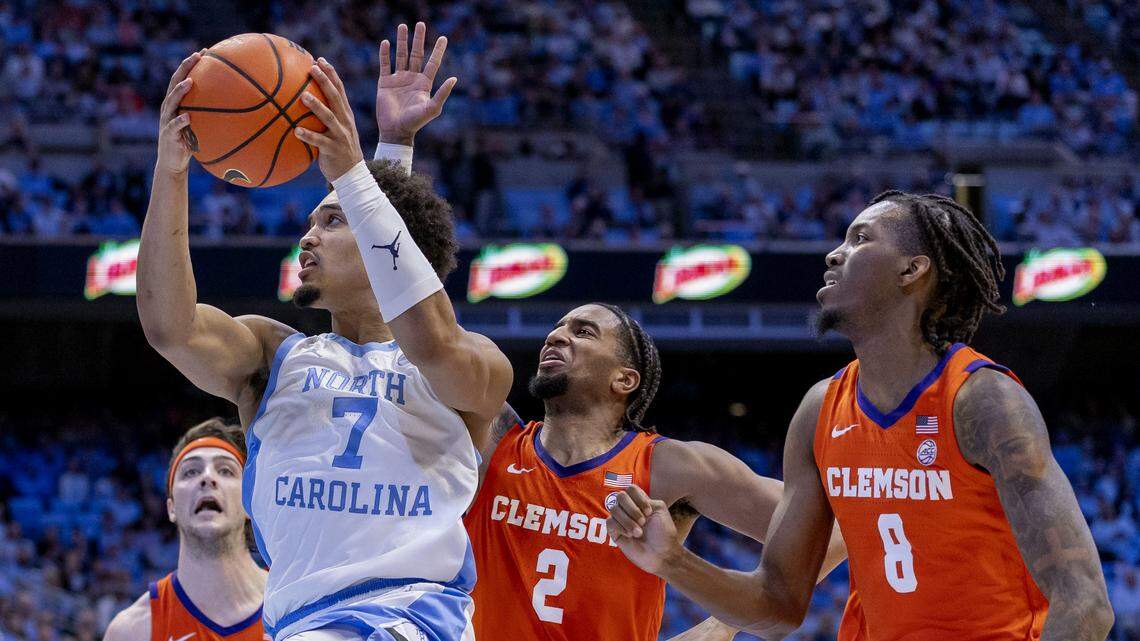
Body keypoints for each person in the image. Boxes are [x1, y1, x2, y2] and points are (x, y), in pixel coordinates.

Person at [137, 23, 511, 641]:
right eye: (312, 222)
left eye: (332, 221)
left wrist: (363, 173)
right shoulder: (273, 353)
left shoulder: (474, 366)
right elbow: (169, 328)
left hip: (413, 619)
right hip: (302, 622)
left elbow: (426, 334)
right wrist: (171, 170)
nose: (306, 237)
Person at [606, 191, 1114, 640]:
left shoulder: (982, 401)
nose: (834, 253)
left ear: (912, 270)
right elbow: (777, 605)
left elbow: (1085, 605)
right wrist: (672, 561)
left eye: (859, 240)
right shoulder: (820, 409)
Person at [462, 302, 846, 641]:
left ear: (624, 379)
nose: (556, 337)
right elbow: (430, 341)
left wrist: (723, 624)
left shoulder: (670, 467)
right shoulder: (494, 438)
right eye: (557, 328)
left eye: (583, 332)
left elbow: (838, 528)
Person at [103, 419, 266, 641]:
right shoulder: (132, 631)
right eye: (191, 472)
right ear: (171, 508)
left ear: (249, 501)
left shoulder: (296, 604)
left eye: (225, 470)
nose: (207, 478)